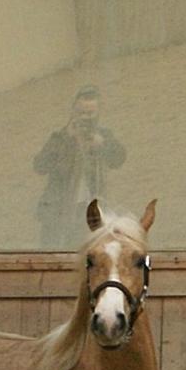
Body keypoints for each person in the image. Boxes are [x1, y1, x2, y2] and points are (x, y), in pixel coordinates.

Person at [33, 85, 127, 248]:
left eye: (90, 114)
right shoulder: (60, 138)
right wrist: (67, 140)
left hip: (89, 212)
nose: (85, 118)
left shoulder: (103, 137)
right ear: (73, 112)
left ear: (98, 114)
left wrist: (102, 144)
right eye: (81, 113)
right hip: (58, 211)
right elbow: (40, 166)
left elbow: (119, 159)